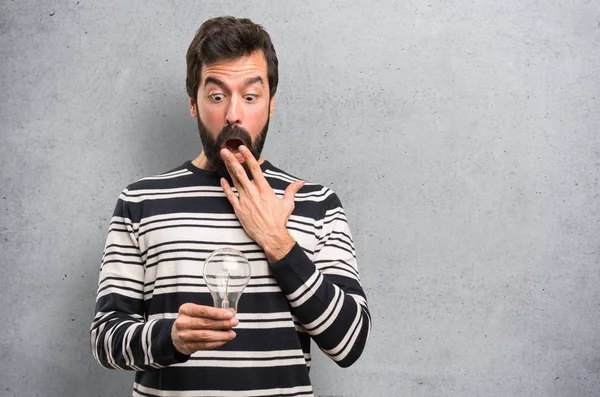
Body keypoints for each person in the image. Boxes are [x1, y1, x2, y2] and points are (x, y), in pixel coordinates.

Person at [90, 16, 371, 397]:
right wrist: (169, 337)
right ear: (193, 103)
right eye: (217, 96)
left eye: (251, 96)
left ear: (271, 104)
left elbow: (349, 342)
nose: (233, 114)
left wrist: (277, 241)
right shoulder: (141, 202)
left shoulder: (316, 204)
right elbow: (105, 338)